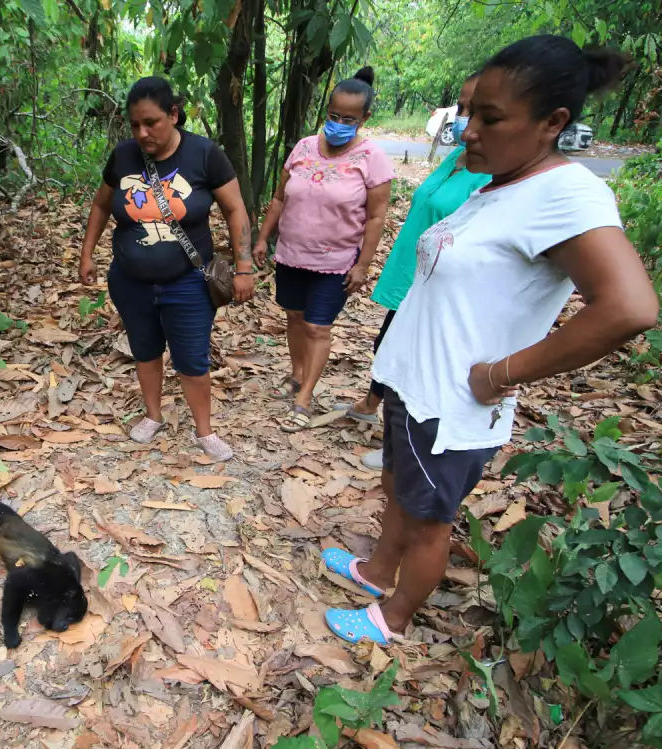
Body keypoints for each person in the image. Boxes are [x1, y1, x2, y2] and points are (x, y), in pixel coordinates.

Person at [320, 35, 658, 646]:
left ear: (553, 123)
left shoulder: (567, 194)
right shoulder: (502, 182)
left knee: (429, 519)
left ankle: (391, 618)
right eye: (469, 113)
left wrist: (502, 374)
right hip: (415, 383)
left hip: (453, 400)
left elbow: (629, 307)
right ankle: (376, 572)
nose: (469, 130)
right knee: (399, 487)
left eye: (490, 118)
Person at [79, 77, 255, 462]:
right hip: (131, 280)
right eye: (135, 124)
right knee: (145, 351)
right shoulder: (124, 156)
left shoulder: (205, 154)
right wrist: (86, 253)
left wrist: (245, 266)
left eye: (152, 123)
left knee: (191, 359)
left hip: (188, 280)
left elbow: (235, 209)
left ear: (174, 115)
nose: (143, 133)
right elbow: (101, 205)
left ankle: (204, 431)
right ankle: (152, 415)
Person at [333, 72, 492, 470]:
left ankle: (398, 449)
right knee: (390, 348)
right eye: (462, 108)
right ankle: (373, 408)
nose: (465, 121)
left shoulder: (494, 174)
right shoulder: (459, 157)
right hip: (412, 273)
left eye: (476, 111)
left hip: (443, 287)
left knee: (416, 365)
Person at [253, 66, 394, 433]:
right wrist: (262, 237)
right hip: (292, 255)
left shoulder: (372, 158)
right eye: (333, 116)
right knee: (295, 318)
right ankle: (298, 375)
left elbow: (376, 217)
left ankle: (304, 400)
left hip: (335, 261)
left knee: (318, 326)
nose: (338, 124)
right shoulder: (302, 147)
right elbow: (280, 198)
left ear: (365, 119)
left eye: (349, 118)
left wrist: (363, 264)